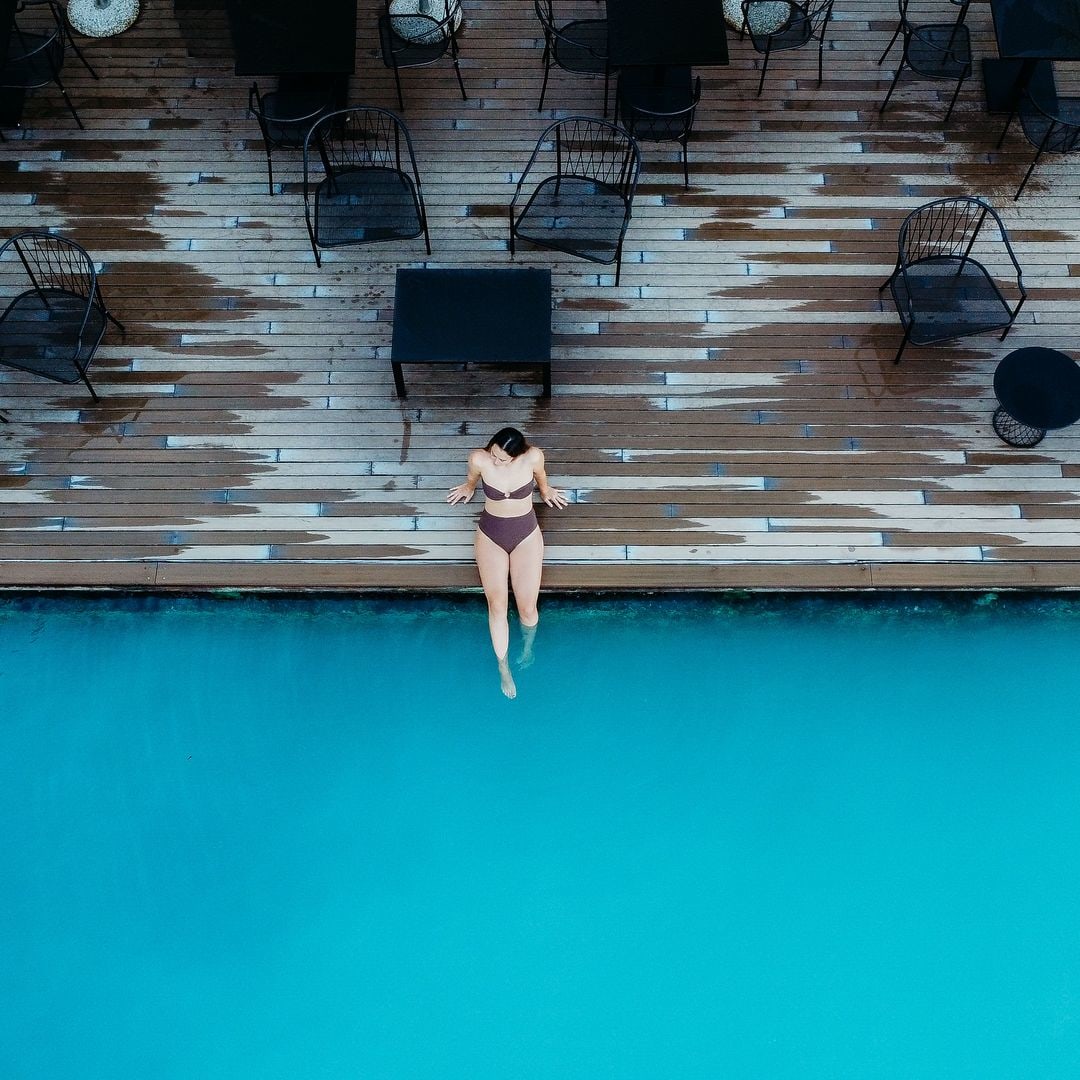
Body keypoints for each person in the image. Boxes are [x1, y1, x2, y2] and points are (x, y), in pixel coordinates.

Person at [447, 427, 568, 698]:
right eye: (495, 454)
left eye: (503, 459)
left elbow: (541, 478)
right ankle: (503, 667)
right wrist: (467, 488)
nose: (497, 461)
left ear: (517, 454)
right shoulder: (479, 459)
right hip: (492, 533)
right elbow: (472, 479)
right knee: (497, 603)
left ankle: (527, 648)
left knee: (527, 608)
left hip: (525, 533)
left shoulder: (533, 457)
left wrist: (547, 492)